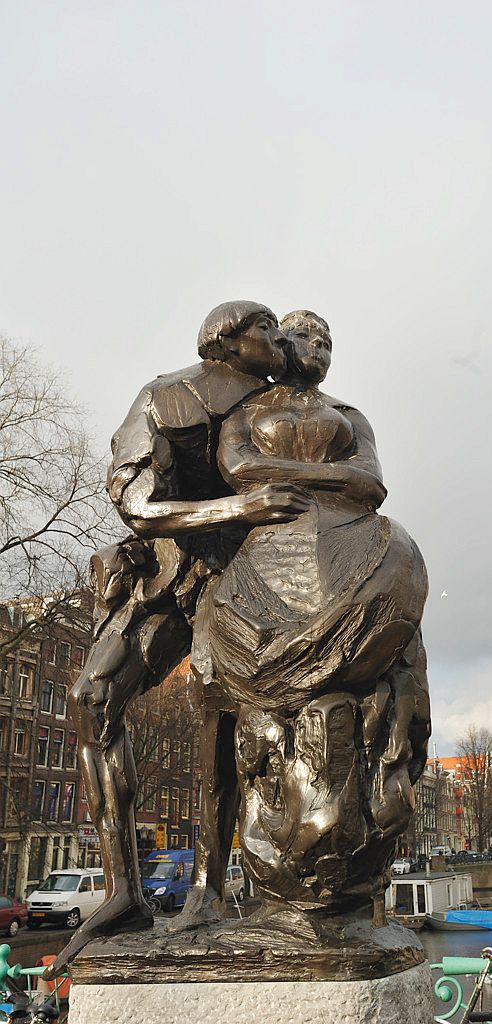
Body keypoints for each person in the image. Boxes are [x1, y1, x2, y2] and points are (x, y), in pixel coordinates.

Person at [48, 301, 311, 975]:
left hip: (249, 579)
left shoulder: (291, 403)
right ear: (224, 339)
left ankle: (210, 894)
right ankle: (124, 893)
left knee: (220, 730)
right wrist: (237, 506)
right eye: (263, 328)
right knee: (92, 697)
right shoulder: (167, 398)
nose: (277, 338)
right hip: (173, 569)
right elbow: (135, 504)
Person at [188, 310, 430, 916]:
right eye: (307, 337)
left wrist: (294, 481)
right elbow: (237, 469)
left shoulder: (350, 415)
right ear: (279, 343)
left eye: (329, 340)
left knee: (366, 688)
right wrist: (328, 478)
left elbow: (371, 482)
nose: (319, 347)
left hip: (351, 546)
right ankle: (264, 871)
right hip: (271, 560)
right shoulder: (247, 410)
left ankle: (348, 851)